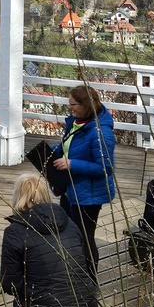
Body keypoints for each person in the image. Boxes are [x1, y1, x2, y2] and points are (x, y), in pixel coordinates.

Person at [0, 172, 98, 307]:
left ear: (18, 196)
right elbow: (87, 265)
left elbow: (10, 285)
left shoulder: (15, 232)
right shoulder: (71, 224)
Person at [51, 84, 116, 279]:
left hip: (88, 196)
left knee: (84, 239)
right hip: (70, 190)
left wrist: (72, 164)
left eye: (73, 104)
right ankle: (71, 276)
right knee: (67, 235)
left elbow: (105, 168)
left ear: (85, 104)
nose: (69, 108)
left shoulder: (100, 132)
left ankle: (89, 281)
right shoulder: (75, 122)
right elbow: (68, 144)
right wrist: (50, 152)